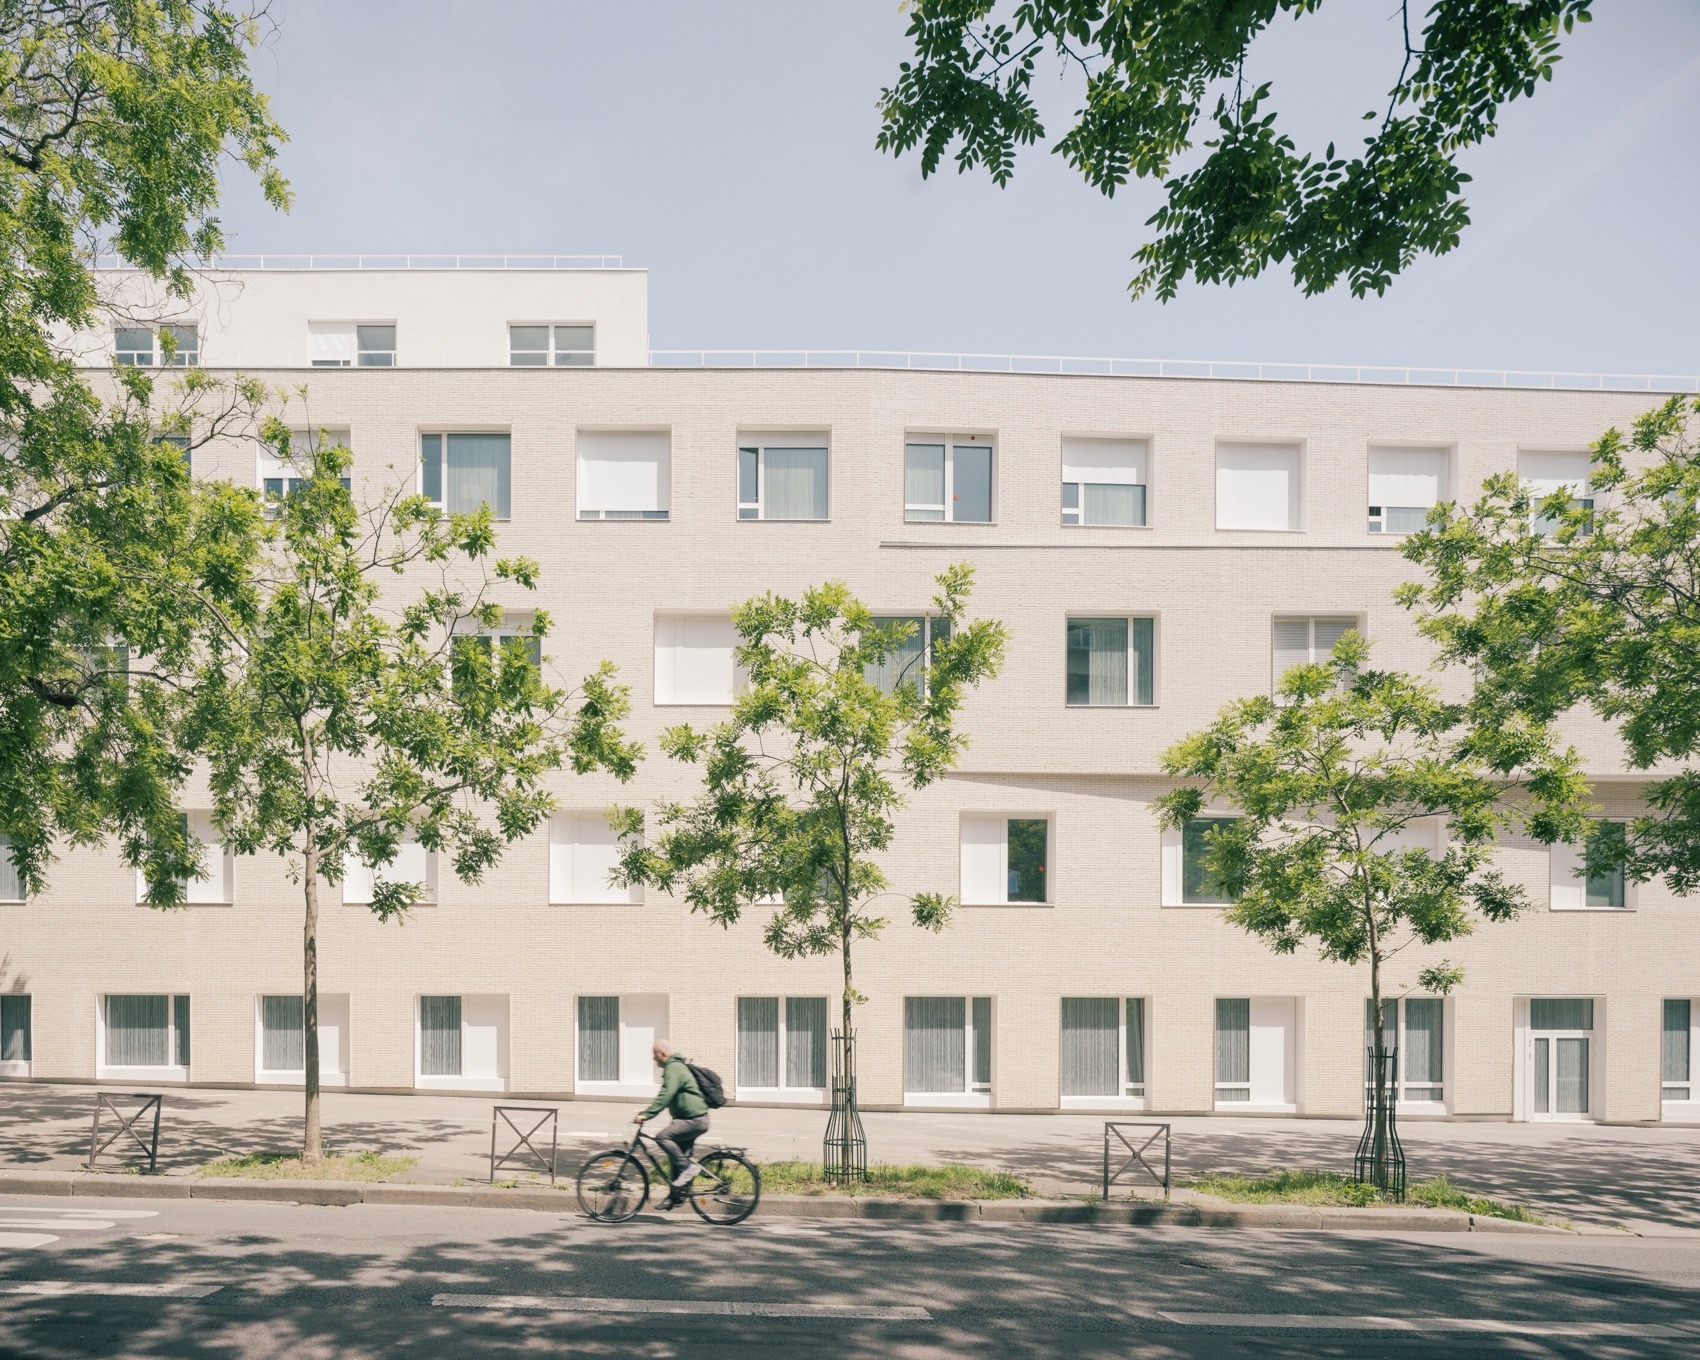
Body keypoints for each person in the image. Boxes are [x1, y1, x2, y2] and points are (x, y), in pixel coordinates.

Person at [632, 1040, 710, 1209]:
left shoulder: (673, 1068)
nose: (654, 1060)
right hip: (688, 1119)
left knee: (662, 1137)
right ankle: (676, 1197)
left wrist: (647, 1114)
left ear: (662, 1054)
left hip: (694, 1120)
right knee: (676, 1157)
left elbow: (666, 1094)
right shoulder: (675, 1066)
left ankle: (688, 1167)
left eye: (655, 1056)